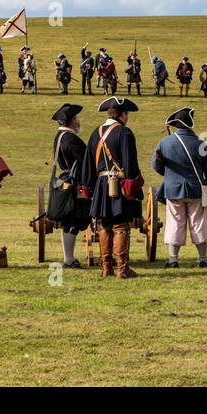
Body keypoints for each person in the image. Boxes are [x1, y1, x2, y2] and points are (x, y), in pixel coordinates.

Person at [78, 97, 145, 279]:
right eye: (127, 114)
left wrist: (88, 187)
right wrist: (132, 184)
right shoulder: (124, 133)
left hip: (100, 185)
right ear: (122, 115)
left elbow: (88, 164)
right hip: (118, 182)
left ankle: (106, 268)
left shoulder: (95, 133)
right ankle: (122, 270)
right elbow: (130, 162)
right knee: (120, 225)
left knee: (104, 226)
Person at [153, 107, 207, 269]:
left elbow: (156, 165)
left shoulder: (164, 142)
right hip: (196, 189)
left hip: (173, 190)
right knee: (199, 222)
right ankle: (203, 259)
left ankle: (173, 260)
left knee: (175, 223)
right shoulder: (202, 143)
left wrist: (169, 176)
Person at [46, 104, 90, 267]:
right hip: (75, 183)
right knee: (74, 220)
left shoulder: (59, 136)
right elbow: (86, 162)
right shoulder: (70, 138)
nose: (78, 121)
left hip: (66, 179)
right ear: (72, 121)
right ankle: (69, 259)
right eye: (76, 118)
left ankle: (68, 257)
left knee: (71, 222)